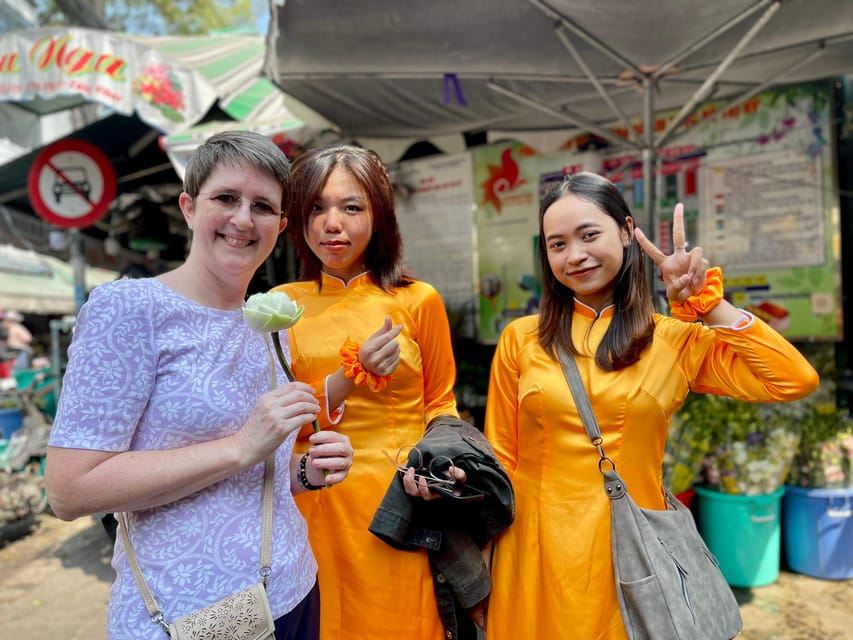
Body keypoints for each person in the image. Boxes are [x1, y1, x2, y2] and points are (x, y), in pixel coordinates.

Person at [44, 131, 370, 640]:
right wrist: (240, 446)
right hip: (186, 615)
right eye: (226, 198)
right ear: (189, 208)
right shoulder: (129, 310)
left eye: (262, 206)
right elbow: (68, 490)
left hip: (292, 589)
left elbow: (255, 475)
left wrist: (304, 470)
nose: (243, 219)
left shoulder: (268, 324)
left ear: (280, 226)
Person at [483, 172, 819, 639]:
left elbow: (792, 379)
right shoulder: (521, 338)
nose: (574, 255)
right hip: (531, 551)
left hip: (631, 551)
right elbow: (502, 456)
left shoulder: (674, 339)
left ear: (626, 231)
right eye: (556, 244)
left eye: (588, 235)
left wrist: (708, 304)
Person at [271, 144, 459, 640]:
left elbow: (442, 402)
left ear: (379, 214)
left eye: (351, 207)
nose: (333, 223)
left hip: (403, 503)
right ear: (296, 219)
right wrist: (350, 377)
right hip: (316, 501)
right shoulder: (279, 308)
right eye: (317, 207)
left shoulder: (418, 300)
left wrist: (439, 468)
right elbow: (275, 418)